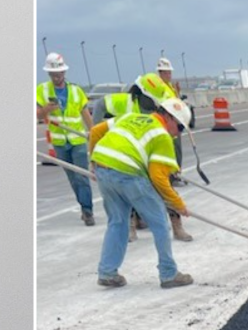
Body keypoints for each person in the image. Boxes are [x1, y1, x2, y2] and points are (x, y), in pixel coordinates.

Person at [88, 97, 195, 289]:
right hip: (129, 175)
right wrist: (179, 205)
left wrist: (93, 162)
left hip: (104, 169)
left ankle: (107, 273)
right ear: (169, 117)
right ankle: (169, 274)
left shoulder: (130, 117)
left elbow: (96, 131)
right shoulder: (161, 135)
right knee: (160, 223)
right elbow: (158, 178)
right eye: (179, 128)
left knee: (117, 222)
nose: (177, 134)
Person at [131, 58, 193, 242]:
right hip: (138, 155)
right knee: (135, 190)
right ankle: (132, 226)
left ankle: (177, 227)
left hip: (155, 148)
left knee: (167, 185)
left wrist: (172, 167)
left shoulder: (165, 94)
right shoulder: (135, 105)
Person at [37, 52, 96, 225]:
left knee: (81, 176)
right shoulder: (42, 90)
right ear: (49, 73)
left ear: (64, 72)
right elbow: (37, 115)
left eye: (59, 73)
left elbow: (85, 114)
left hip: (77, 141)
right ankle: (83, 205)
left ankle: (88, 211)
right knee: (72, 178)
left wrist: (93, 134)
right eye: (53, 74)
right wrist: (46, 109)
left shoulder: (76, 91)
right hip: (60, 142)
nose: (57, 77)